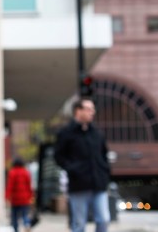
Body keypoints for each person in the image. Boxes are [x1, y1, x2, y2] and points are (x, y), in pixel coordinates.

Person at [54, 97, 111, 232]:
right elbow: (58, 156)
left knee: (104, 219)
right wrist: (73, 169)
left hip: (99, 184)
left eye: (93, 109)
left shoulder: (97, 133)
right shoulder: (66, 133)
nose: (92, 112)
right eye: (89, 109)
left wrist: (105, 171)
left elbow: (104, 155)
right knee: (79, 223)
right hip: (78, 185)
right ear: (78, 111)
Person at [6, 157, 33, 232]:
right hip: (25, 198)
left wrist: (7, 196)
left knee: (15, 216)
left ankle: (16, 229)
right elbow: (29, 185)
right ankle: (26, 224)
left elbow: (10, 186)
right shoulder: (26, 172)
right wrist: (31, 196)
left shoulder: (12, 172)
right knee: (25, 214)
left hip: (15, 199)